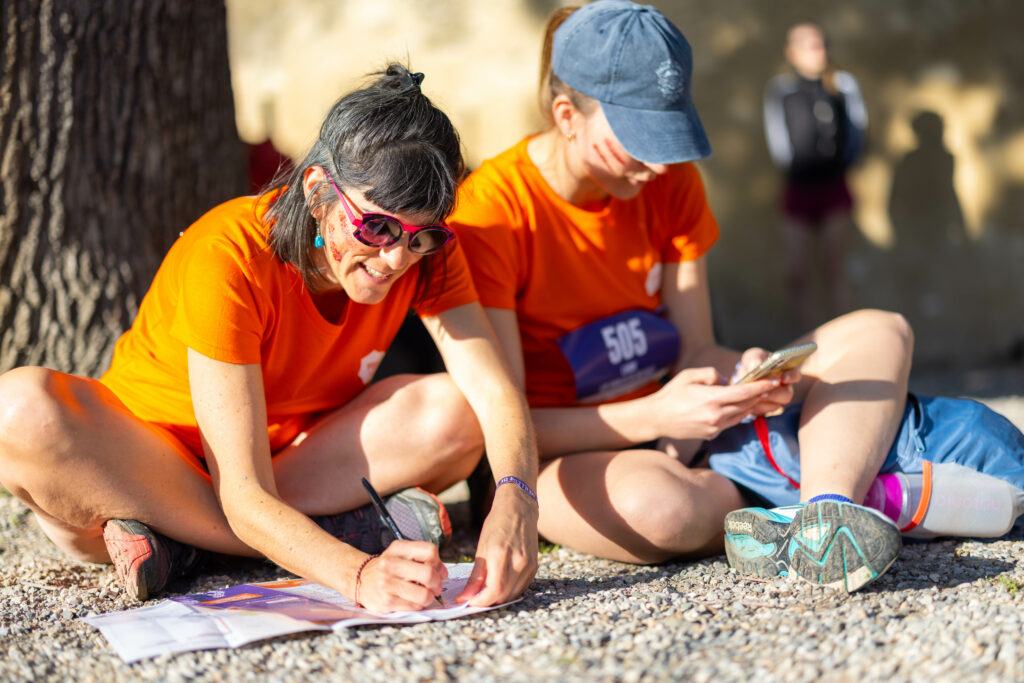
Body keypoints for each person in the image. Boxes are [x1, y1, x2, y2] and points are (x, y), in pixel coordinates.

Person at [0, 65, 539, 612]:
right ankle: (322, 533)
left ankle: (186, 547)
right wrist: (357, 574)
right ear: (317, 190)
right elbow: (242, 494)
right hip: (148, 471)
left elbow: (494, 392)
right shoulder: (230, 255)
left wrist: (516, 499)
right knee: (18, 410)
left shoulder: (428, 257)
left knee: (459, 409)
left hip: (282, 471)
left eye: (423, 235)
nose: (396, 259)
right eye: (376, 228)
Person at [449, 1, 911, 593]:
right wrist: (658, 414)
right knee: (660, 506)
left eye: (667, 138)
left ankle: (827, 516)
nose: (657, 166)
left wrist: (739, 374)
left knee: (882, 330)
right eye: (637, 141)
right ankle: (816, 480)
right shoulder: (492, 214)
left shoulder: (670, 183)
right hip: (566, 459)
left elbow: (696, 349)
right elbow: (507, 421)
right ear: (567, 115)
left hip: (686, 432)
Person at [763, 22, 867, 331]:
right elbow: (778, 139)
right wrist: (796, 170)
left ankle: (845, 342)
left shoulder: (844, 85)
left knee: (833, 269)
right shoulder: (781, 90)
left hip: (834, 187)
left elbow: (857, 133)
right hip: (798, 189)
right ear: (791, 53)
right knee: (797, 274)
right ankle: (812, 346)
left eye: (820, 44)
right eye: (807, 46)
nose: (816, 52)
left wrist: (841, 168)